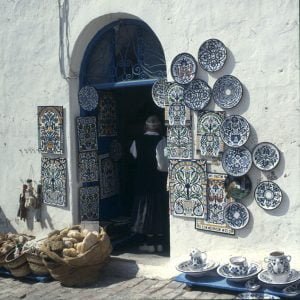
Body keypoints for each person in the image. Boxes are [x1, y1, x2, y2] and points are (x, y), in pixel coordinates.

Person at [130, 115, 169, 253]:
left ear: (145, 126)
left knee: (146, 209)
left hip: (143, 180)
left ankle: (150, 242)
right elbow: (164, 163)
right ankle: (159, 242)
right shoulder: (162, 140)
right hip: (158, 180)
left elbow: (134, 156)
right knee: (157, 207)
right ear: (159, 127)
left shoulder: (137, 141)